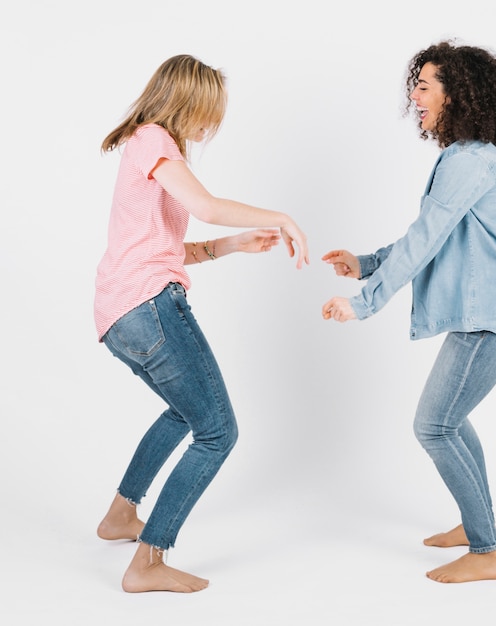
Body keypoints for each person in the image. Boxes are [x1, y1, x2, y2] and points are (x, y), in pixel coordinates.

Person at [321, 40, 496, 583]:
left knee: (434, 424)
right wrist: (368, 262)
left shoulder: (471, 160)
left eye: (424, 87)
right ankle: (476, 526)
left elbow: (426, 238)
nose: (415, 98)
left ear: (457, 93)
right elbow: (432, 237)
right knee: (450, 422)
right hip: (490, 305)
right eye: (414, 86)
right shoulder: (465, 157)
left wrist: (365, 304)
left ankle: (488, 551)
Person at [94, 54, 309, 593]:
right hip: (150, 307)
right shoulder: (153, 140)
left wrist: (232, 246)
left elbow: (164, 247)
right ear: (186, 101)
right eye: (209, 111)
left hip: (119, 315)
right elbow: (208, 206)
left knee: (183, 413)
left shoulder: (142, 148)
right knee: (218, 432)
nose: (210, 125)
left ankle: (121, 514)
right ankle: (148, 561)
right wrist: (278, 217)